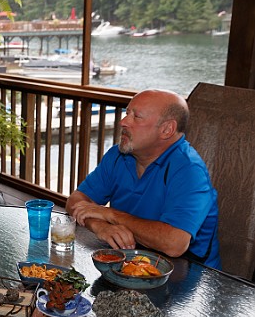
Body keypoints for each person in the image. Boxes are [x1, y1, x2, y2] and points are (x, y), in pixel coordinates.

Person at [66, 89, 221, 269]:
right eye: (126, 113)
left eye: (136, 117)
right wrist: (100, 226)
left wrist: (110, 214)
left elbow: (174, 244)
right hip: (129, 263)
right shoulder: (118, 155)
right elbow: (76, 201)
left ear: (167, 129)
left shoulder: (189, 170)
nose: (123, 122)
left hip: (190, 276)